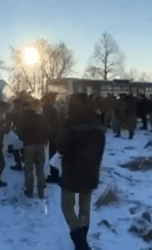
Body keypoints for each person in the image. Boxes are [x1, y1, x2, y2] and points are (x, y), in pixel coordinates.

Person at [58, 93, 105, 250]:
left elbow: (63, 148)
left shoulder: (69, 122)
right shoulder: (97, 122)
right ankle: (82, 237)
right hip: (90, 171)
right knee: (85, 206)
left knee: (67, 206)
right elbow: (101, 148)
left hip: (71, 171)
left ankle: (80, 241)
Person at [15, 98, 51, 198]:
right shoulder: (41, 117)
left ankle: (29, 190)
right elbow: (48, 131)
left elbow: (18, 133)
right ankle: (41, 192)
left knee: (29, 169)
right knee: (40, 170)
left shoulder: (22, 119)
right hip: (40, 146)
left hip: (28, 146)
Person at [41, 92, 60, 184]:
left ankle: (54, 176)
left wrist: (45, 135)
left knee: (52, 155)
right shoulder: (53, 109)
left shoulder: (48, 110)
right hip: (55, 135)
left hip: (53, 136)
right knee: (53, 155)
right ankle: (55, 174)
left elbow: (46, 124)